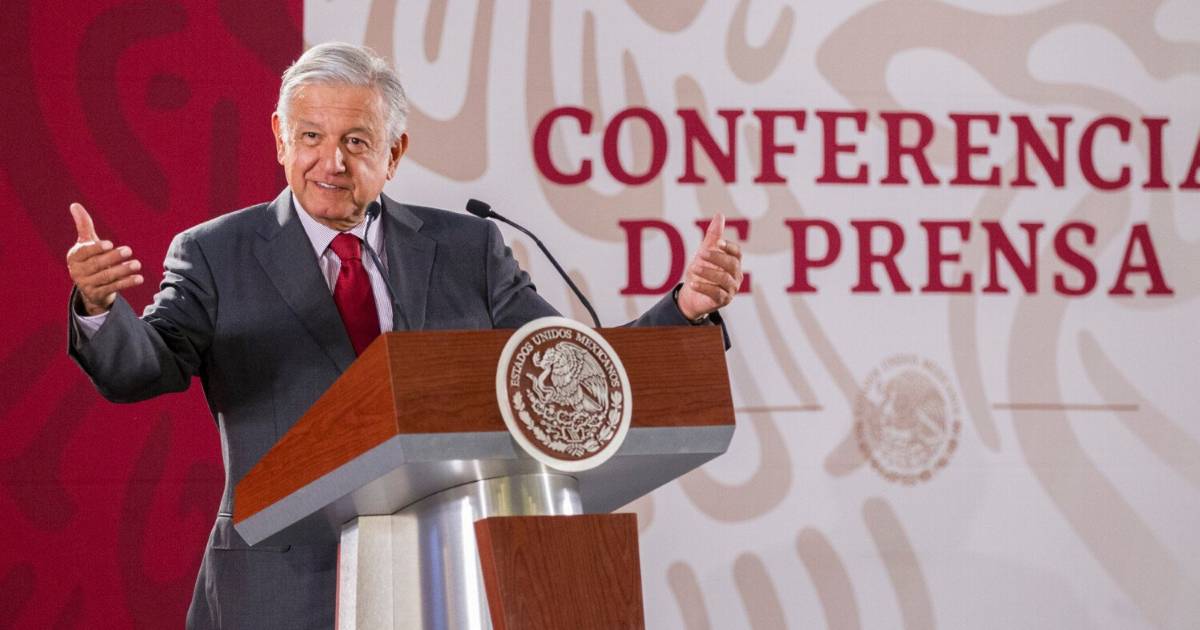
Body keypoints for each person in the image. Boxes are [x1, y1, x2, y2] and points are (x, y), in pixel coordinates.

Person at [65, 42, 742, 630]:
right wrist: (100, 306)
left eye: (356, 141)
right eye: (310, 136)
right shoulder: (216, 253)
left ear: (395, 152)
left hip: (452, 577)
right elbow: (143, 368)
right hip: (280, 587)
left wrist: (683, 310)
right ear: (279, 139)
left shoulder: (469, 249)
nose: (331, 161)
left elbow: (568, 368)